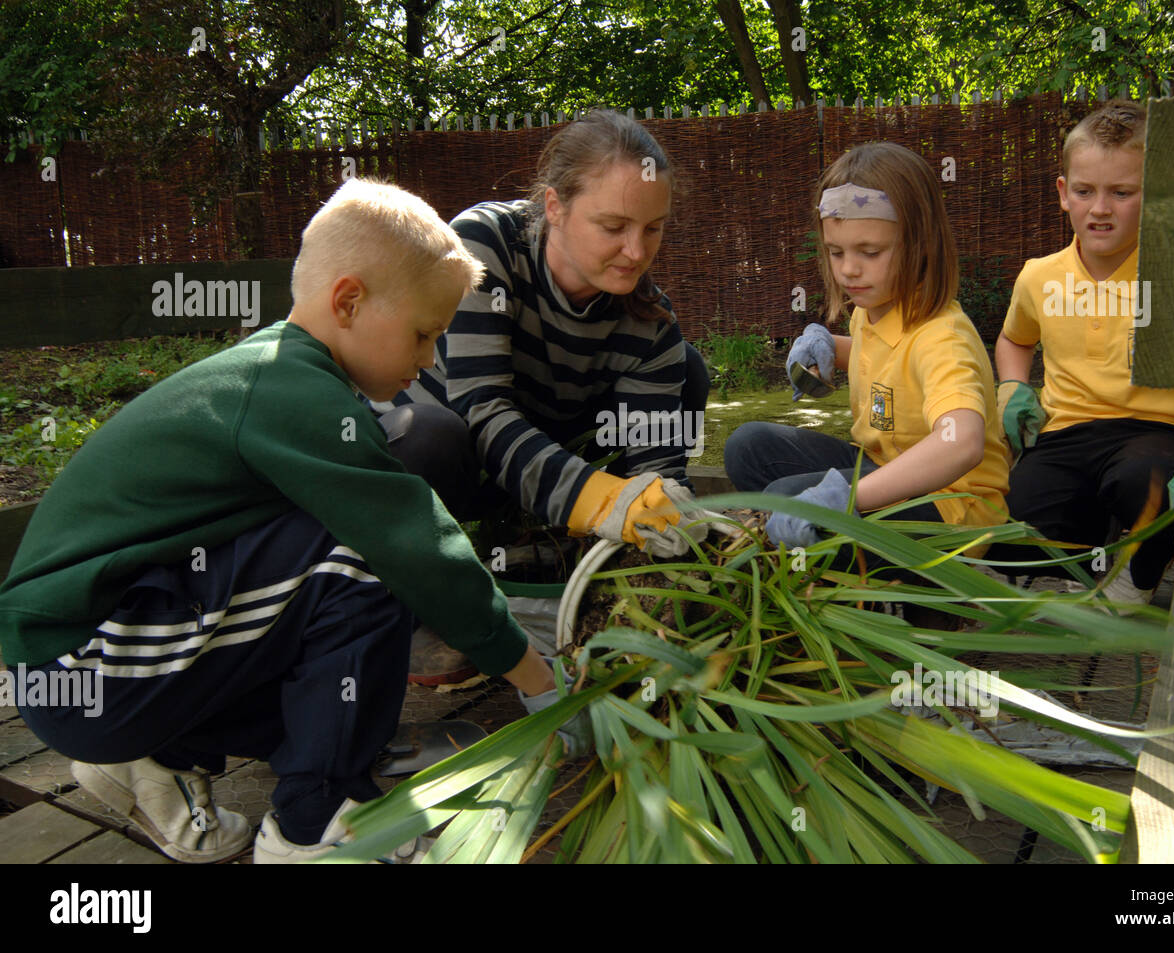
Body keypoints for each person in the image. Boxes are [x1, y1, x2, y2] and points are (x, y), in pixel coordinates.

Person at [0, 178, 575, 863]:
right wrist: (540, 681)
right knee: (370, 553)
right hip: (86, 667)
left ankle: (153, 756)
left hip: (93, 659)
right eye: (424, 334)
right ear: (349, 300)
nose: (428, 361)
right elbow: (417, 542)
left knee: (325, 615)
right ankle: (316, 823)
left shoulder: (275, 373)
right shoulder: (291, 389)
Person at [370, 109, 710, 558]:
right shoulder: (483, 247)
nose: (636, 251)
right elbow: (482, 411)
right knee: (428, 434)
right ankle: (409, 570)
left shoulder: (650, 326)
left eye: (653, 229)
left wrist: (670, 513)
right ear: (555, 207)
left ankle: (562, 545)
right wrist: (602, 501)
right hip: (430, 456)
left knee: (688, 365)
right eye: (613, 227)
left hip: (525, 470)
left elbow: (656, 469)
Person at [725, 142, 1010, 559]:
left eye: (869, 252)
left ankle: (915, 595)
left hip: (953, 509)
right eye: (836, 252)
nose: (848, 270)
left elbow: (961, 443)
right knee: (747, 445)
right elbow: (881, 354)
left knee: (786, 497)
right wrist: (823, 345)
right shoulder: (874, 308)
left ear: (921, 244)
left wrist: (848, 497)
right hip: (882, 467)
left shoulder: (943, 338)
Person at [993, 101, 1174, 604]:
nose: (1100, 208)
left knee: (1150, 485)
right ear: (1063, 194)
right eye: (1085, 191)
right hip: (1067, 431)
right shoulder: (1039, 275)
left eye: (1122, 193)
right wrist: (1012, 384)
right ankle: (1088, 550)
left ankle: (1140, 576)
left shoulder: (1172, 275)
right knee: (1013, 534)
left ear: (1151, 198)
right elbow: (1015, 338)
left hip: (1153, 430)